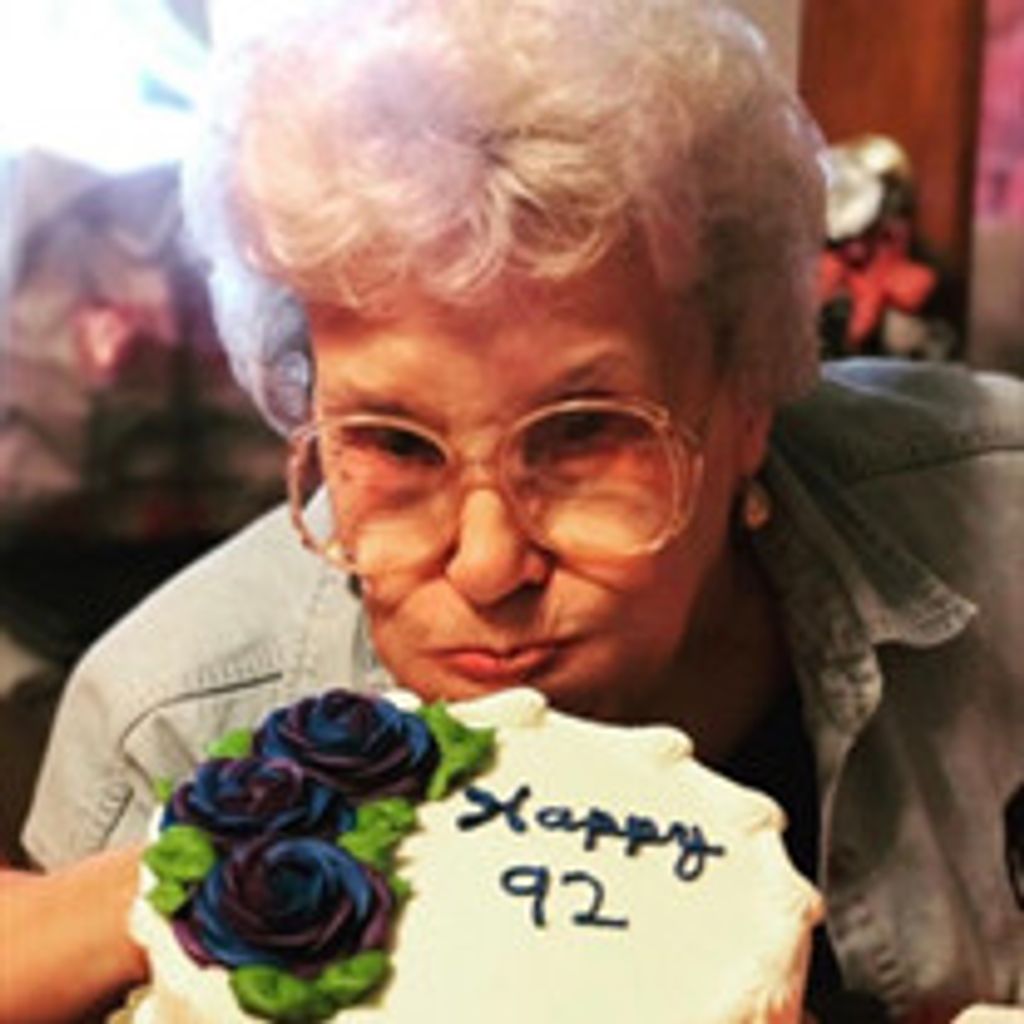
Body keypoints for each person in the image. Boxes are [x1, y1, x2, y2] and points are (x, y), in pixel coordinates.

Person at [3, 0, 1022, 1021]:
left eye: (583, 433)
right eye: (395, 444)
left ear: (748, 393)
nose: (488, 567)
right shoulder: (171, 730)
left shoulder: (1001, 525)